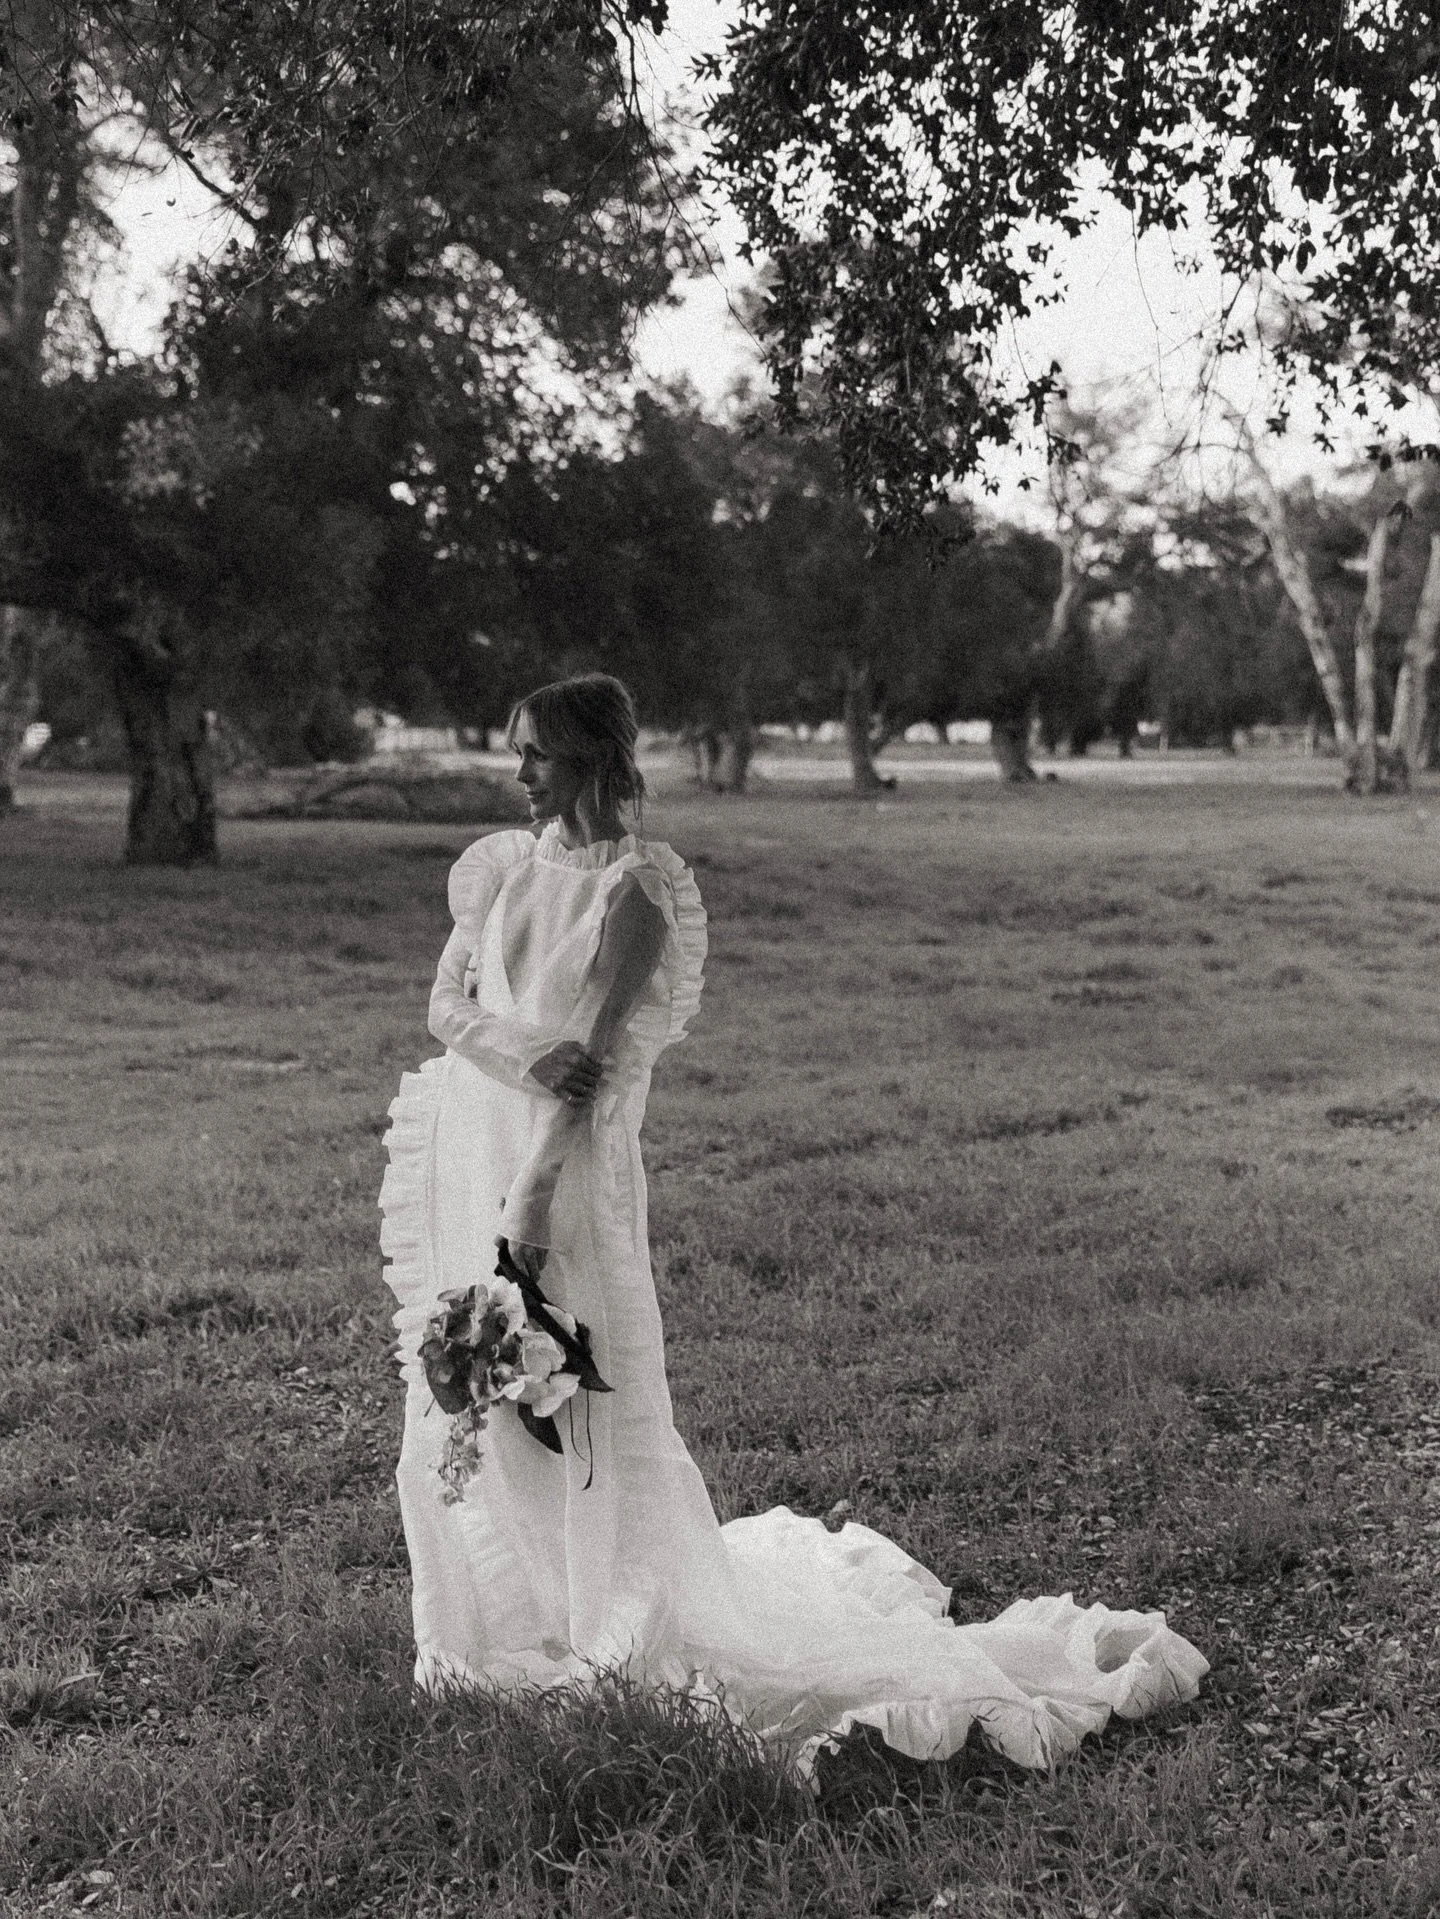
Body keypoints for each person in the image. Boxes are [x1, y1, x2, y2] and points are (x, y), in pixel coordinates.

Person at [380, 671, 1206, 1772]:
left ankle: (610, 1624)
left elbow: (595, 1068)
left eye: (537, 753)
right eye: (519, 752)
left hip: (561, 1166)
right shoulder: (495, 871)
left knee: (571, 1387)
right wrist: (518, 1052)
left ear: (591, 760)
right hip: (477, 1136)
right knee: (469, 1384)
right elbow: (447, 1008)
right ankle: (508, 1606)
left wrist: (531, 1199)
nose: (518, 772)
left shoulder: (633, 895)